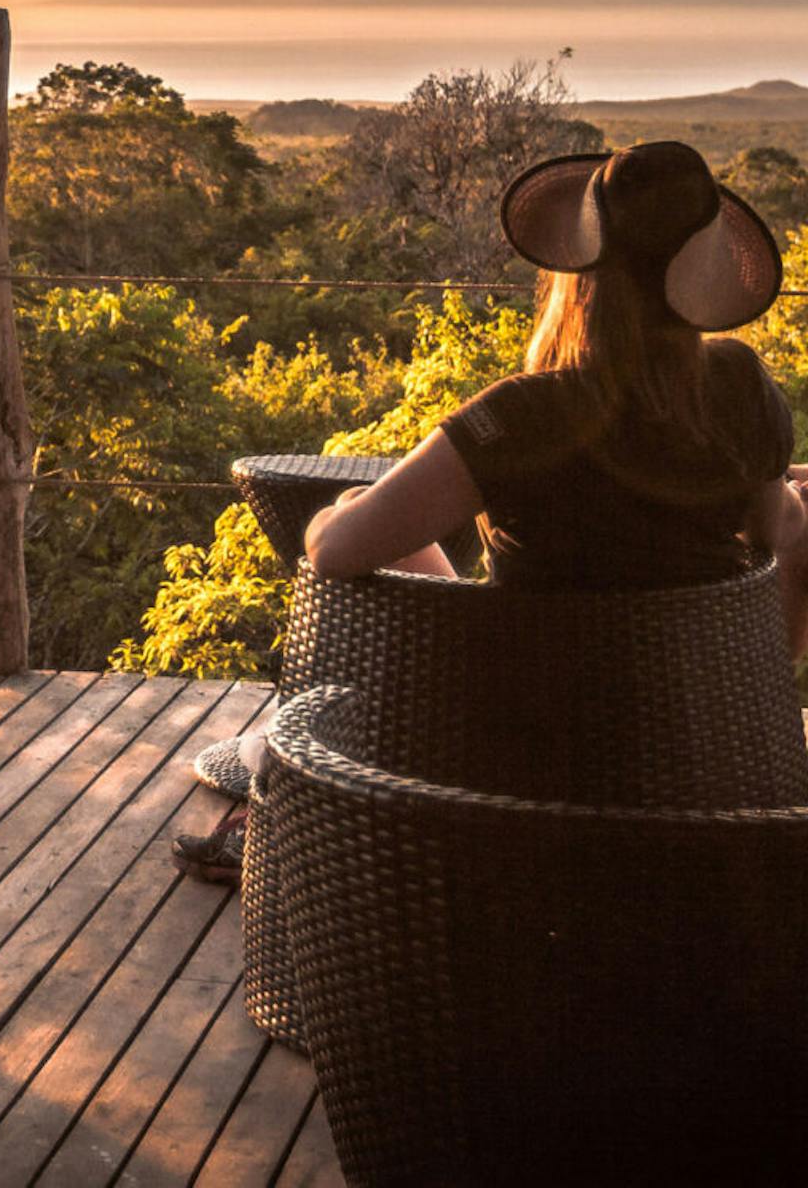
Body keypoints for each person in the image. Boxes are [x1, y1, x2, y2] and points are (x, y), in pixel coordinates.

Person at [173, 139, 808, 883]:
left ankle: (295, 791)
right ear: (698, 273)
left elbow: (338, 553)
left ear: (584, 271)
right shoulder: (736, 385)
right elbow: (778, 536)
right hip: (688, 735)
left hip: (520, 746)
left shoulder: (524, 416)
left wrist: (322, 521)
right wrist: (786, 491)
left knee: (351, 517)